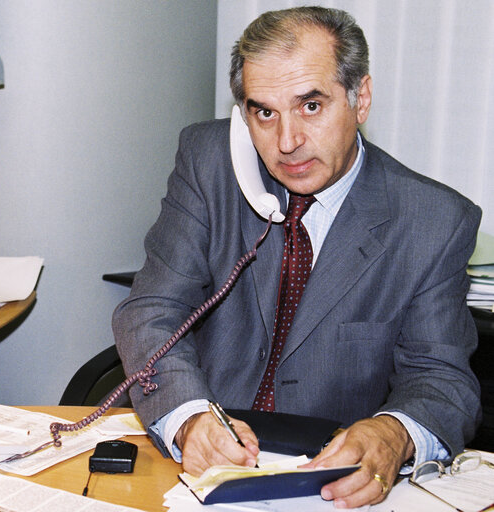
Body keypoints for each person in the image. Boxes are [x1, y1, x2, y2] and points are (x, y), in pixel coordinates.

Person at [112, 6, 482, 509]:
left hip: (326, 482)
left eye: (311, 106)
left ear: (361, 99)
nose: (286, 142)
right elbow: (152, 311)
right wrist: (190, 417)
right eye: (264, 112)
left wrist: (394, 434)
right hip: (199, 471)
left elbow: (440, 378)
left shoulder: (433, 220)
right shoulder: (208, 163)